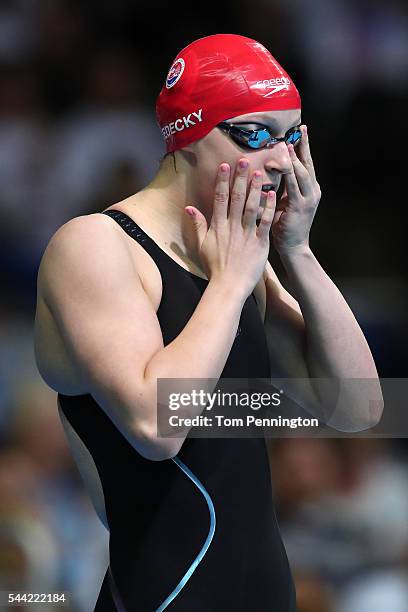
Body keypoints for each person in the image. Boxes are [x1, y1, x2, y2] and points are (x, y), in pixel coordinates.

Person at [34, 34, 383, 611]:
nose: (282, 159)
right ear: (188, 135)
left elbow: (359, 409)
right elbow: (155, 428)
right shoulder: (96, 247)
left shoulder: (240, 254)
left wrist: (296, 251)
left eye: (293, 135)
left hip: (269, 594)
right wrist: (229, 283)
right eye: (256, 134)